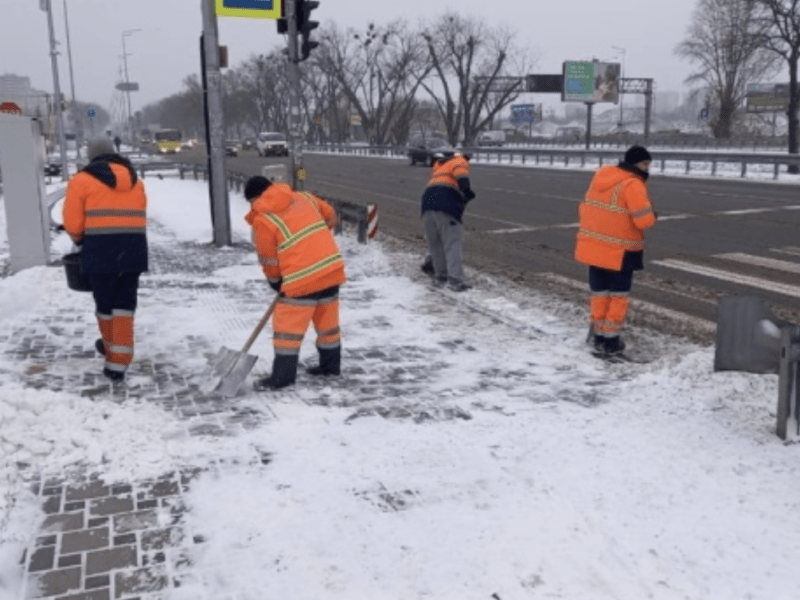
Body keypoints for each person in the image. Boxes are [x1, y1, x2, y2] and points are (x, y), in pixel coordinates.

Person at [243, 176, 347, 390]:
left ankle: (282, 378)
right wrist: (314, 242)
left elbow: (268, 257)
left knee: (287, 333)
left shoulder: (263, 218)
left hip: (301, 281)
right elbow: (331, 217)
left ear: (254, 198)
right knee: (328, 326)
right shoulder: (305, 198)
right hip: (330, 270)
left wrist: (275, 281)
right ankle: (330, 367)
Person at [62, 138, 149, 381]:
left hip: (100, 251)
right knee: (124, 305)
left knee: (106, 305)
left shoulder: (81, 181)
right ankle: (117, 354)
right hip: (133, 251)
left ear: (91, 157)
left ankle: (115, 359)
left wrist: (80, 242)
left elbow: (72, 221)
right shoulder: (136, 181)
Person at [574, 145, 657, 357]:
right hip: (620, 252)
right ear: (635, 164)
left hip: (594, 248)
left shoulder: (602, 177)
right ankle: (611, 341)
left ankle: (599, 336)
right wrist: (653, 215)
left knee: (599, 295)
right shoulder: (633, 184)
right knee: (618, 297)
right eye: (645, 164)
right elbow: (644, 221)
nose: (647, 169)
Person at [420, 151, 475, 292]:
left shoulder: (440, 165)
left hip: (427, 203)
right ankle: (455, 281)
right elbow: (463, 180)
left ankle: (440, 277)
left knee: (436, 243)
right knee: (452, 243)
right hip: (445, 203)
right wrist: (467, 192)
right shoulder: (460, 161)